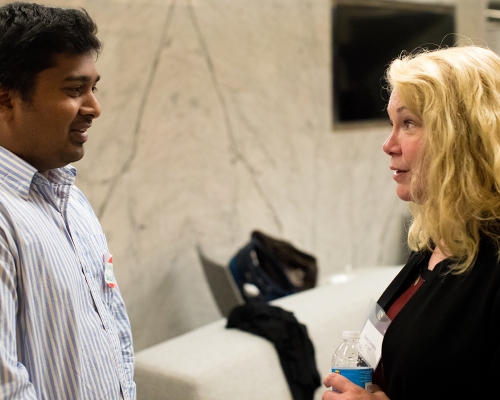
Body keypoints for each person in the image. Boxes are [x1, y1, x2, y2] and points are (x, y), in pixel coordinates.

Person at [323, 45, 500, 399]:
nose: (388, 145)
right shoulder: (438, 245)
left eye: (408, 123)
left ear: (463, 137)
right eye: (393, 124)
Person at [0, 2, 135, 399]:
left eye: (94, 88)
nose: (95, 107)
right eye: (75, 90)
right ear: (6, 99)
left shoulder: (70, 198)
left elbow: (114, 334)